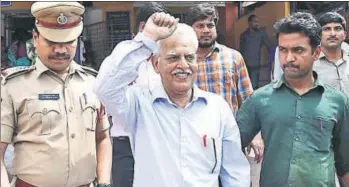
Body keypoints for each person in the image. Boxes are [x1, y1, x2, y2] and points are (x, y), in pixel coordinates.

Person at [94, 12, 250, 187]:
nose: (183, 65)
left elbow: (235, 172)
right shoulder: (139, 104)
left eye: (190, 57)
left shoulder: (217, 108)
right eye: (173, 57)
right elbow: (105, 87)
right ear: (155, 64)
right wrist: (146, 38)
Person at [1, 2, 112, 187]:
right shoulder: (13, 86)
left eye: (68, 42)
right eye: (51, 42)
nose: (60, 50)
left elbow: (102, 138)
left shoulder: (92, 83)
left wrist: (104, 182)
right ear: (35, 39)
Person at [237, 12, 349, 187]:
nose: (288, 58)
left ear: (316, 52)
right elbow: (230, 149)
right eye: (283, 50)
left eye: (298, 50)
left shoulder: (337, 101)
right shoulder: (259, 100)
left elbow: (345, 165)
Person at [109, 2, 168, 187]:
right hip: (125, 141)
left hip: (160, 139)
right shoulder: (123, 57)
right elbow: (108, 91)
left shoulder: (167, 58)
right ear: (144, 26)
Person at [315, 12, 349, 97]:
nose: (333, 34)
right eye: (327, 29)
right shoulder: (311, 63)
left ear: (345, 35)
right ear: (319, 35)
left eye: (337, 29)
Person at [240, 14, 274, 89]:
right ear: (249, 22)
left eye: (258, 22)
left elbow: (269, 46)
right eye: (255, 21)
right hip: (245, 65)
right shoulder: (243, 35)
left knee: (254, 86)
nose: (257, 24)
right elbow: (241, 50)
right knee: (245, 86)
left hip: (255, 64)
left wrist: (273, 59)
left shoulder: (261, 33)